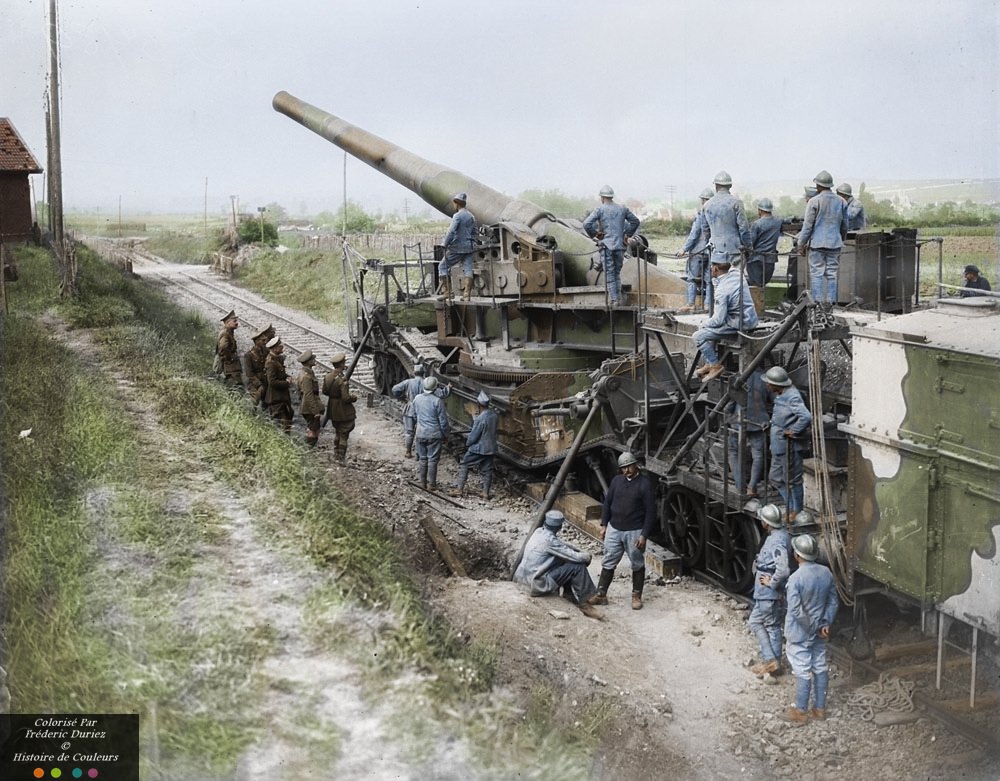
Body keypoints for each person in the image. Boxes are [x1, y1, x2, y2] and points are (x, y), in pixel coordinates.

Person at [783, 533, 839, 723]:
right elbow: (833, 602)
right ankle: (820, 709)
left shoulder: (795, 579)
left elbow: (796, 611)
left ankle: (800, 711)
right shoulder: (826, 573)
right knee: (820, 666)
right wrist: (824, 624)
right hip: (820, 632)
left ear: (797, 555)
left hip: (800, 632)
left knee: (802, 670)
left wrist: (813, 626)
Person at [591, 452, 656, 610]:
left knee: (637, 563)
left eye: (629, 466)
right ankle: (601, 594)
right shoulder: (617, 481)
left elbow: (651, 513)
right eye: (623, 468)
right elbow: (607, 503)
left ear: (636, 465)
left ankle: (636, 596)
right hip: (614, 528)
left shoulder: (645, 485)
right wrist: (604, 524)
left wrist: (644, 535)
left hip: (634, 531)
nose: (626, 470)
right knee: (608, 560)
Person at [513, 510, 601, 618]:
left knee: (563, 560)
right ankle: (584, 604)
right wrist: (586, 556)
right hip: (536, 583)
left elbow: (560, 545)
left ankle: (568, 595)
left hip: (521, 578)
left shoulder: (539, 531)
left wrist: (574, 549)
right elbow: (575, 557)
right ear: (559, 527)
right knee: (578, 566)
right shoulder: (550, 542)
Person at [692, 260, 759, 383]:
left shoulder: (722, 291)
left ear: (715, 269)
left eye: (711, 267)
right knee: (709, 331)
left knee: (698, 336)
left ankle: (715, 365)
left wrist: (703, 324)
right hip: (750, 318)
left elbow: (718, 320)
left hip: (738, 323)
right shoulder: (736, 273)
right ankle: (709, 363)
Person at [763, 366, 812, 521]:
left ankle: (797, 511)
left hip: (789, 447)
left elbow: (805, 416)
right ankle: (790, 506)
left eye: (769, 383)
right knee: (776, 478)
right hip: (779, 446)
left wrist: (794, 430)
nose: (767, 386)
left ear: (777, 384)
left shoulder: (792, 396)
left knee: (793, 480)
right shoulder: (781, 393)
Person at [749, 504, 792, 677]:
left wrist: (771, 583)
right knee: (756, 622)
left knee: (772, 626)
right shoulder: (780, 535)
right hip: (765, 593)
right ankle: (772, 661)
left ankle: (773, 663)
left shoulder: (776, 541)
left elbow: (783, 570)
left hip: (768, 593)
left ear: (767, 523)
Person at [583, 185, 641, 306]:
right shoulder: (622, 209)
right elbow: (635, 221)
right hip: (620, 246)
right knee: (616, 273)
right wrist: (627, 234)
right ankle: (618, 298)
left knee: (609, 273)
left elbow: (587, 224)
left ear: (602, 197)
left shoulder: (600, 210)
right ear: (611, 197)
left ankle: (614, 300)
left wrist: (595, 234)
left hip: (606, 246)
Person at [798, 170, 848, 306]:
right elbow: (845, 225)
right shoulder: (842, 201)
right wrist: (840, 239)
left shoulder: (814, 201)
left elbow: (807, 226)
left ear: (818, 186)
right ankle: (831, 304)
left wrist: (800, 245)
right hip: (835, 243)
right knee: (832, 274)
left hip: (817, 245)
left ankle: (817, 305)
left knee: (816, 274)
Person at [725, 368, 770, 499]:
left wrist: (728, 419)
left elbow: (730, 402)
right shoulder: (764, 377)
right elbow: (774, 398)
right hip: (759, 422)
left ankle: (740, 487)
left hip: (738, 422)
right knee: (758, 455)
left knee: (733, 452)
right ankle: (752, 487)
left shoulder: (737, 377)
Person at [392, 365, 451, 458]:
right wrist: (448, 388)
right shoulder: (427, 383)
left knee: (409, 431)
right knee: (420, 430)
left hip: (410, 408)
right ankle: (418, 454)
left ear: (414, 373)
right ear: (423, 373)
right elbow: (441, 394)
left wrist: (402, 398)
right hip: (422, 409)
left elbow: (395, 389)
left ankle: (408, 451)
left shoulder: (408, 382)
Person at [449, 391, 498, 499]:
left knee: (465, 463)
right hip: (491, 448)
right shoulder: (494, 415)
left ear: (479, 405)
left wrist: (468, 443)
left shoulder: (480, 419)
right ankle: (485, 493)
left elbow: (474, 436)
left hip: (479, 448)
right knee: (487, 470)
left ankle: (459, 489)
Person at [701, 171, 751, 274]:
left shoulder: (707, 205)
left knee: (718, 282)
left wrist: (710, 242)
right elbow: (744, 228)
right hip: (735, 250)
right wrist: (748, 247)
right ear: (730, 186)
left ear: (715, 186)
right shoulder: (736, 203)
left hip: (715, 250)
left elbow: (705, 230)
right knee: (736, 281)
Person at [677, 187, 714, 312]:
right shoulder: (715, 215)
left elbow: (694, 234)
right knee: (709, 280)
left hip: (698, 252)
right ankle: (708, 304)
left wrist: (684, 249)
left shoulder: (701, 214)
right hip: (711, 252)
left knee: (691, 278)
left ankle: (691, 304)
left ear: (703, 200)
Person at [411, 375, 450, 490]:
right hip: (434, 434)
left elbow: (414, 416)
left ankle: (422, 483)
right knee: (432, 460)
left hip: (420, 433)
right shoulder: (437, 401)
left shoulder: (417, 399)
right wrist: (446, 434)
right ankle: (431, 484)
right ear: (435, 388)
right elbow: (443, 422)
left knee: (423, 459)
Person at [438, 192, 477, 301]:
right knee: (468, 269)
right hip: (469, 247)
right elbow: (475, 232)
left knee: (442, 266)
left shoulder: (457, 216)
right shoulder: (471, 216)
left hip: (457, 247)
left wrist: (445, 244)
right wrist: (471, 242)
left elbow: (451, 231)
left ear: (457, 204)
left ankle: (448, 293)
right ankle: (466, 295)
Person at [322, 351, 358, 463]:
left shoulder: (328, 376)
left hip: (332, 409)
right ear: (342, 364)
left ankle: (335, 454)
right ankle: (341, 458)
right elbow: (346, 398)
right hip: (343, 410)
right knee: (344, 434)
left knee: (337, 431)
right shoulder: (342, 380)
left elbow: (324, 391)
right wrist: (353, 397)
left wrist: (334, 396)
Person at [746, 198, 783, 289]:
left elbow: (750, 243)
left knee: (755, 286)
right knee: (762, 284)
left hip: (756, 260)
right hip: (770, 260)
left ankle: (756, 302)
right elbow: (788, 220)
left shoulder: (756, 224)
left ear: (760, 210)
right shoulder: (778, 222)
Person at [264, 336, 292, 431]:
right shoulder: (271, 363)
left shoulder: (276, 360)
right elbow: (272, 382)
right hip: (276, 398)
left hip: (281, 398)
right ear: (275, 348)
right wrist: (286, 383)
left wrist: (286, 376)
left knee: (286, 423)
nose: (282, 347)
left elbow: (280, 374)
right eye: (280, 346)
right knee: (282, 425)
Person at [296, 350, 324, 447]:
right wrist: (315, 411)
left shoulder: (304, 373)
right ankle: (307, 450)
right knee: (313, 430)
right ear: (308, 361)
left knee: (313, 429)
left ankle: (308, 449)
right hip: (309, 408)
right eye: (313, 359)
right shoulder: (307, 376)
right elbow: (308, 394)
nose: (314, 360)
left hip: (307, 407)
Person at [243, 323, 274, 409]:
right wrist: (259, 384)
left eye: (265, 340)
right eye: (262, 341)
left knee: (267, 404)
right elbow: (249, 374)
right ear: (257, 342)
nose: (265, 342)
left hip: (265, 382)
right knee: (253, 404)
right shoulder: (249, 355)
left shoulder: (265, 352)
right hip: (255, 384)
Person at [216, 310, 243, 387]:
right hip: (229, 366)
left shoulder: (229, 332)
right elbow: (224, 347)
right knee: (234, 384)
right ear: (228, 323)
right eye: (234, 321)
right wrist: (230, 358)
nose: (236, 323)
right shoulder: (225, 333)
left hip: (230, 365)